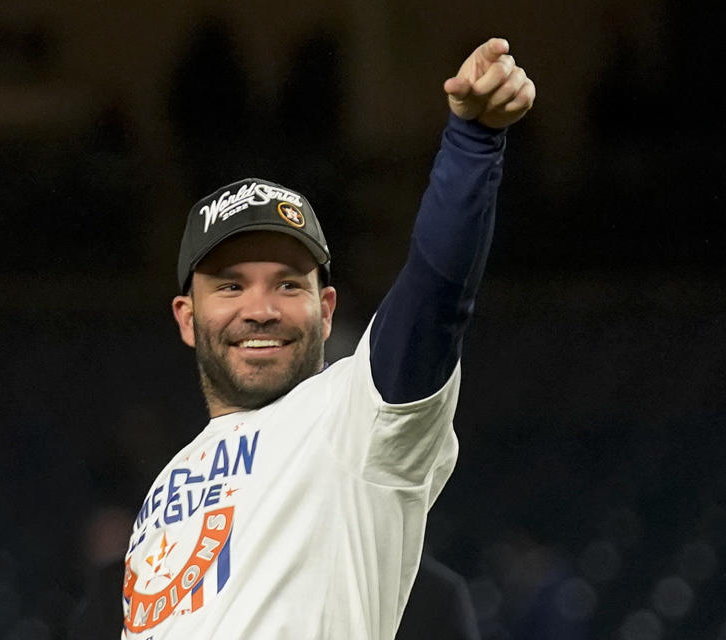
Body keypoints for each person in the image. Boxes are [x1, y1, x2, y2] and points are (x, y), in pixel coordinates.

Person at [120, 37, 535, 640]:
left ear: (326, 309)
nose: (260, 309)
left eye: (288, 285)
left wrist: (472, 142)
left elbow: (436, 292)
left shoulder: (356, 416)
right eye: (231, 286)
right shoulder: (166, 484)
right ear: (187, 316)